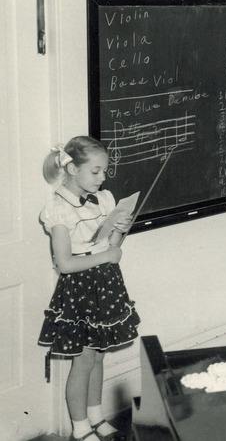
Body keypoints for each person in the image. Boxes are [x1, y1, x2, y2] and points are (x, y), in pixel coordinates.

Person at [38, 137, 139, 441]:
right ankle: (79, 427)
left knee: (98, 354)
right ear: (71, 168)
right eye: (95, 171)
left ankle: (96, 416)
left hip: (106, 284)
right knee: (82, 360)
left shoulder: (105, 199)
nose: (102, 178)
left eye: (105, 171)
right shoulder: (58, 208)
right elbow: (65, 264)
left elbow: (110, 246)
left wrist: (119, 233)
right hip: (80, 288)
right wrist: (107, 254)